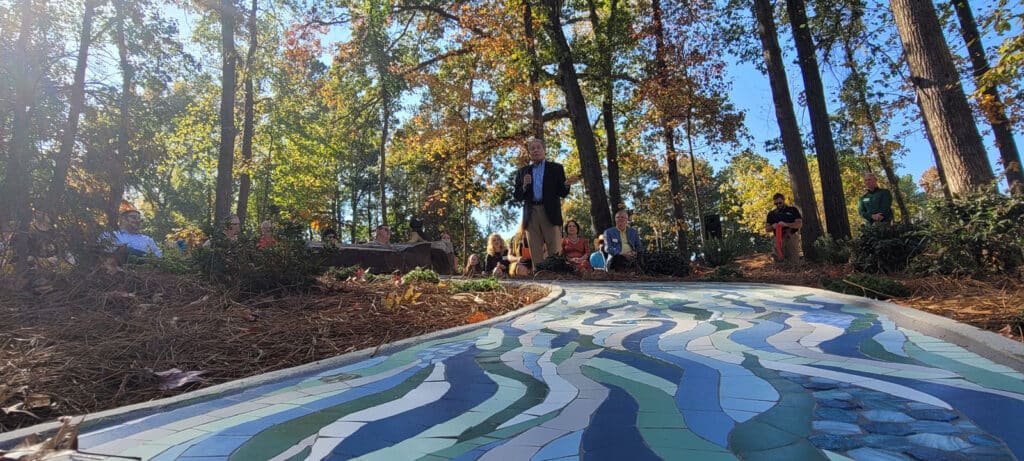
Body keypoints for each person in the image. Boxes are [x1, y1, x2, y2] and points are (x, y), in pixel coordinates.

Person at [512, 138, 578, 269]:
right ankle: (539, 275)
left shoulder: (556, 168)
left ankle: (557, 273)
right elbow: (517, 196)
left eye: (538, 148)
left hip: (550, 211)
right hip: (531, 212)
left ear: (544, 150)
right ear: (530, 153)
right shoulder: (522, 172)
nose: (535, 150)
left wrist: (566, 185)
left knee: (554, 246)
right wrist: (524, 185)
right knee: (535, 247)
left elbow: (562, 192)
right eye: (532, 148)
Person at [765, 193, 802, 264]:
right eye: (776, 204)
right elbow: (767, 229)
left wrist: (786, 224)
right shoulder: (771, 214)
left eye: (780, 203)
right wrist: (773, 226)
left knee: (793, 260)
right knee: (779, 260)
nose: (778, 205)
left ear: (784, 200)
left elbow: (799, 224)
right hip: (778, 238)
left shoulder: (793, 210)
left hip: (790, 236)